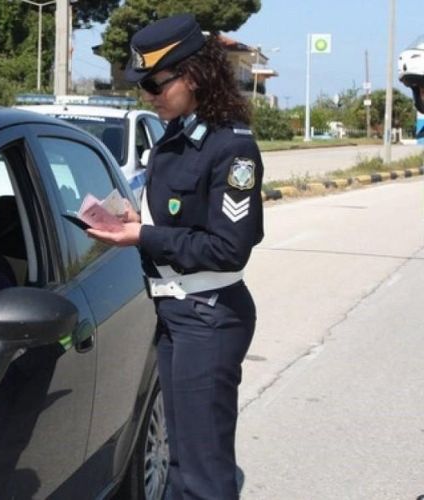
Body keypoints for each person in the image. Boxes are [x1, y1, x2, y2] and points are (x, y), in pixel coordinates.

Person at [87, 14, 263, 500]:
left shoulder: (231, 149)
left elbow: (228, 247)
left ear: (195, 75)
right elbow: (179, 218)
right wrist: (132, 218)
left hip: (208, 316)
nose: (148, 96)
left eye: (155, 84)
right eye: (141, 86)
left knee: (204, 473)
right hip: (176, 311)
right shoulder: (175, 136)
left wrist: (143, 236)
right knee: (180, 461)